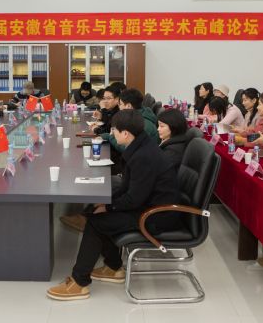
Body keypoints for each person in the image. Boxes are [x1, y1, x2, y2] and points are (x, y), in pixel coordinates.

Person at [47, 110, 181, 301]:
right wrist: (106, 202)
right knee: (96, 213)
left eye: (114, 131)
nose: (112, 134)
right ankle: (113, 267)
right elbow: (128, 188)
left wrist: (109, 207)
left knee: (96, 222)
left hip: (156, 215)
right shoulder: (139, 146)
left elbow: (134, 199)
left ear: (125, 133)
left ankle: (79, 282)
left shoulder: (143, 156)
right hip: (148, 205)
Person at [157, 108, 189, 172]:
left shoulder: (172, 152)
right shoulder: (175, 141)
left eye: (162, 126)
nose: (158, 129)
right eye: (158, 126)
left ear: (173, 127)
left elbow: (157, 170)